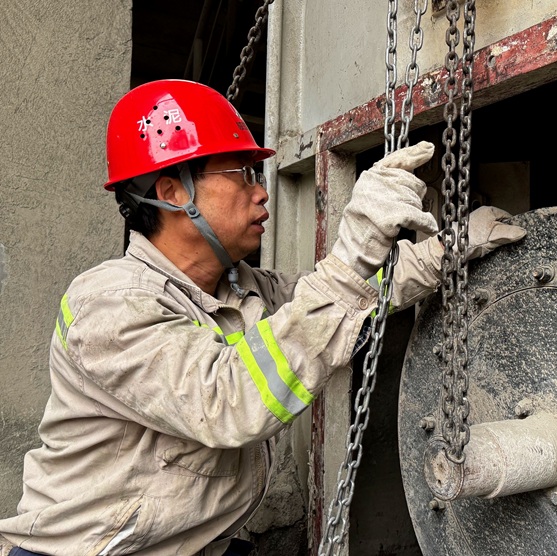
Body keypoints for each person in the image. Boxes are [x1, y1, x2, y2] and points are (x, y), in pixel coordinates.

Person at [0, 79, 525, 556]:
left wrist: (444, 252)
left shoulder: (241, 287)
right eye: (241, 173)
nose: (261, 190)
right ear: (172, 193)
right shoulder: (109, 304)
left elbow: (343, 301)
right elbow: (229, 403)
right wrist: (351, 253)